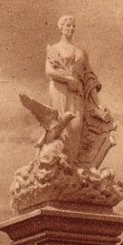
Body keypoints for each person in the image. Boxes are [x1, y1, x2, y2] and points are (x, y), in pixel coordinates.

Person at [45, 15, 110, 163]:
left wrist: (98, 105)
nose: (71, 28)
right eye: (68, 25)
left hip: (77, 94)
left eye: (73, 26)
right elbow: (49, 71)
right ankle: (61, 164)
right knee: (62, 127)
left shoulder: (81, 53)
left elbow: (89, 79)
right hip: (59, 90)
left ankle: (72, 166)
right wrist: (68, 79)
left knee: (76, 127)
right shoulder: (54, 49)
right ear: (61, 28)